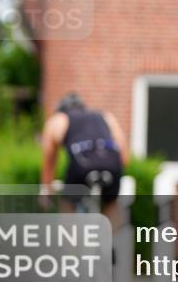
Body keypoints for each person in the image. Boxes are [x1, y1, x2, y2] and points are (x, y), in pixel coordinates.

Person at [40, 92, 129, 221]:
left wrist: (46, 193)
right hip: (112, 163)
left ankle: (68, 238)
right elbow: (124, 155)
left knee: (67, 205)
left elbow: (49, 162)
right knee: (111, 204)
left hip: (81, 165)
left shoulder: (58, 119)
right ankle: (111, 237)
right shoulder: (105, 116)